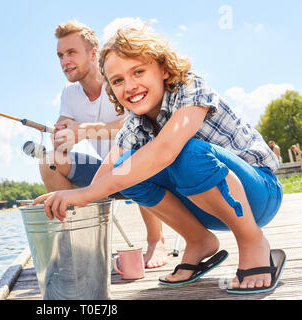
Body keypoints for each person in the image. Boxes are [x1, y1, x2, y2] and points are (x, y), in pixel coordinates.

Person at [34, 22, 286, 294]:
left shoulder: (190, 87)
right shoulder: (135, 123)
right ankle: (199, 240)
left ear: (163, 68)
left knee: (186, 153)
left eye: (138, 72)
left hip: (259, 195)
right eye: (118, 81)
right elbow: (108, 171)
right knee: (125, 171)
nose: (129, 86)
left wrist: (87, 194)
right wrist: (75, 200)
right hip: (210, 212)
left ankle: (251, 240)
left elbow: (166, 150)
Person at [40, 20, 167, 268]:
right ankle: (79, 246)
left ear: (93, 54)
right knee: (49, 161)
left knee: (135, 154)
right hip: (101, 173)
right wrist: (61, 135)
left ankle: (156, 240)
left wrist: (85, 131)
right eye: (60, 55)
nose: (65, 61)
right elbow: (65, 125)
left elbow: (134, 126)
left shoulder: (118, 80)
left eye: (71, 52)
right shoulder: (69, 92)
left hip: (138, 168)